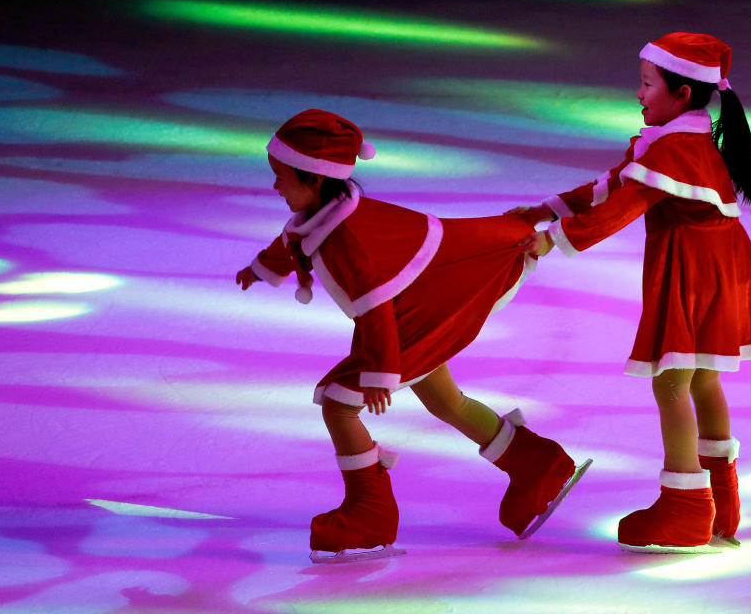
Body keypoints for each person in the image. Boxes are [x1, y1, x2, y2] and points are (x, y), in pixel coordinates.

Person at [236, 109, 590, 561]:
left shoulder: (350, 239)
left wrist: (382, 372)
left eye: (281, 176)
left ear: (317, 180)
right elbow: (295, 240)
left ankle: (370, 511)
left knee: (340, 403)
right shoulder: (325, 215)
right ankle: (536, 463)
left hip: (415, 314)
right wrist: (263, 269)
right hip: (417, 309)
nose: (275, 186)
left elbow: (376, 306)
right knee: (446, 401)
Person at [514, 32, 751, 553]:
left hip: (697, 268)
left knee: (672, 384)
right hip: (719, 264)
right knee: (703, 382)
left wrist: (551, 239)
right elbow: (612, 185)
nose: (638, 94)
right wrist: (544, 211)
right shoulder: (674, 141)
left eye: (646, 83)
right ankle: (721, 505)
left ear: (681, 94)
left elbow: (622, 206)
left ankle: (685, 508)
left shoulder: (677, 149)